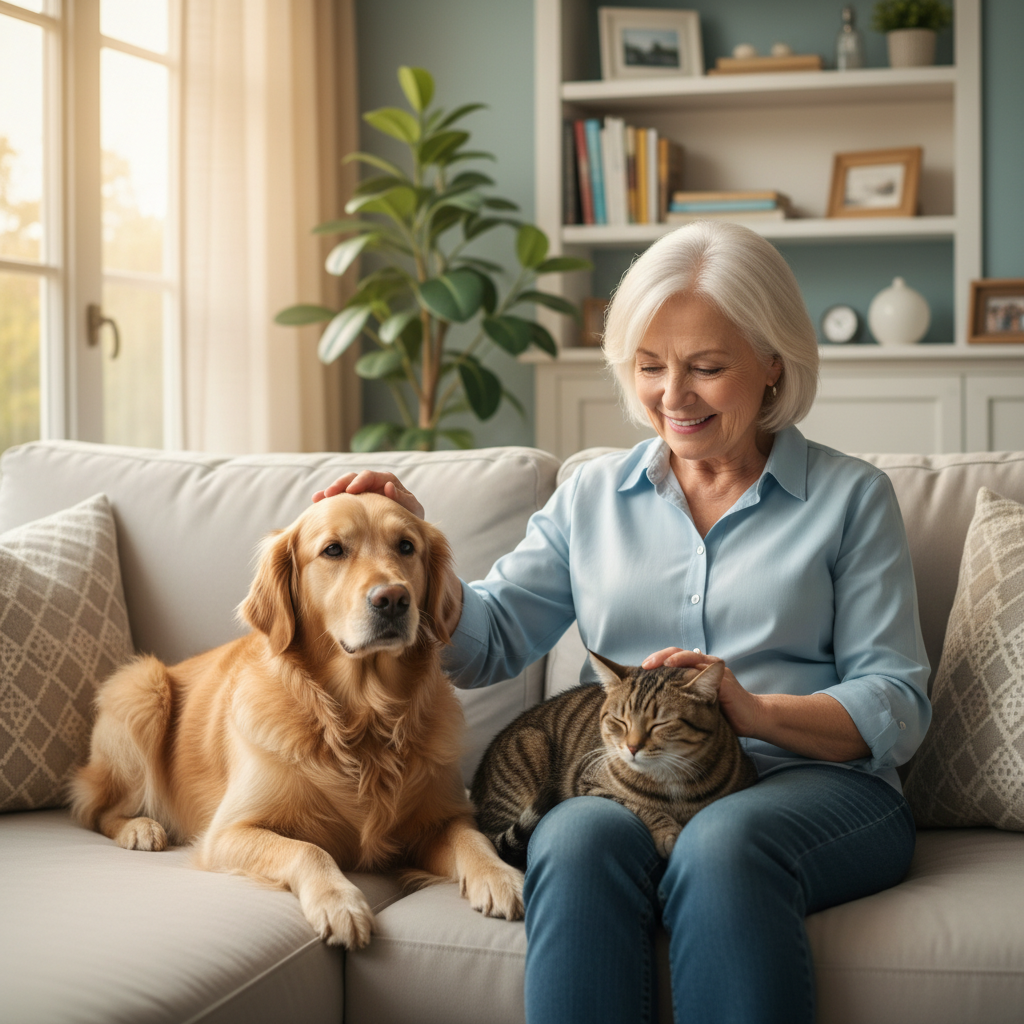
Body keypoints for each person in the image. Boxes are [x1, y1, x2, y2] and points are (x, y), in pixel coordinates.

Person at [314, 220, 931, 1024]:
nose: (673, 396)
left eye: (707, 367)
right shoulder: (592, 497)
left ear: (774, 363)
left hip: (819, 788)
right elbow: (489, 638)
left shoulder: (852, 500)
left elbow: (899, 703)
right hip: (631, 787)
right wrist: (417, 555)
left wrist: (757, 713)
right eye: (650, 367)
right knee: (571, 842)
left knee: (722, 843)